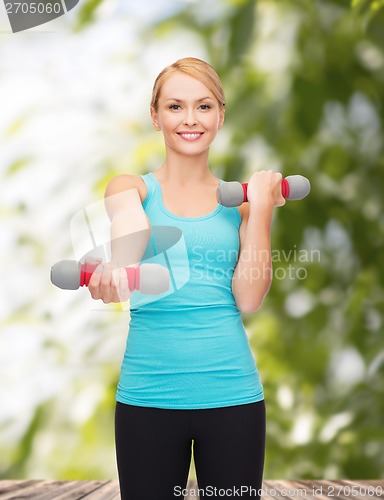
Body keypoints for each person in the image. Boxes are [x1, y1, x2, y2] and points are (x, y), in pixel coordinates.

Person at [88, 57, 285, 500]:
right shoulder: (130, 188)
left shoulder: (242, 205)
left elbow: (249, 299)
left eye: (204, 106)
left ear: (220, 115)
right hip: (146, 398)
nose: (190, 119)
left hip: (233, 397)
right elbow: (129, 224)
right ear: (155, 116)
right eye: (175, 106)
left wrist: (263, 211)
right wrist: (121, 266)